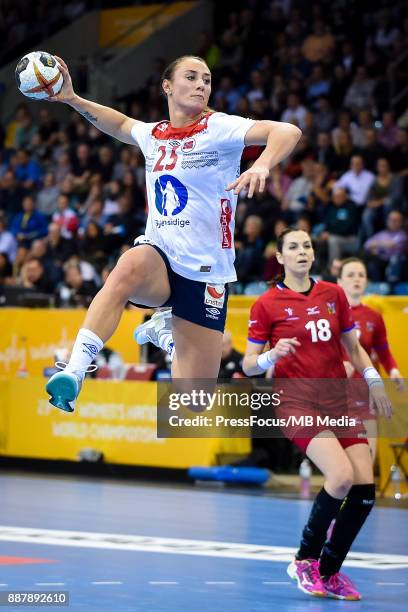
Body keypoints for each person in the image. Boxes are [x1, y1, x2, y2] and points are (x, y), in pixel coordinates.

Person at [45, 54, 301, 411]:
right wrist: (72, 98)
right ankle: (74, 370)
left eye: (207, 80)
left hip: (206, 271)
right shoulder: (155, 135)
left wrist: (262, 164)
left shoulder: (220, 127)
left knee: (193, 401)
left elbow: (288, 131)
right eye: (192, 77)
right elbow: (118, 124)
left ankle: (166, 332)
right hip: (160, 256)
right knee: (127, 267)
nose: (201, 85)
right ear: (167, 86)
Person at [242, 227, 391, 600]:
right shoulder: (266, 304)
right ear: (280, 258)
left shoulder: (333, 294)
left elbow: (353, 349)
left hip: (338, 401)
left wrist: (373, 379)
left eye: (306, 245)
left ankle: (330, 570)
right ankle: (304, 560)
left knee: (364, 492)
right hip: (297, 403)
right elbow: (247, 366)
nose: (302, 251)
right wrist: (270, 356)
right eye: (293, 247)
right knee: (339, 477)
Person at [337, 257, 404, 461]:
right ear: (339, 282)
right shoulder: (329, 314)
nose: (356, 279)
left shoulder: (373, 316)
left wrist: (393, 370)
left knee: (367, 457)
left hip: (365, 395)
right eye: (350, 275)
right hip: (335, 395)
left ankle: (364, 493)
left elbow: (383, 351)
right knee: (341, 466)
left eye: (361, 275)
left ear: (366, 282)